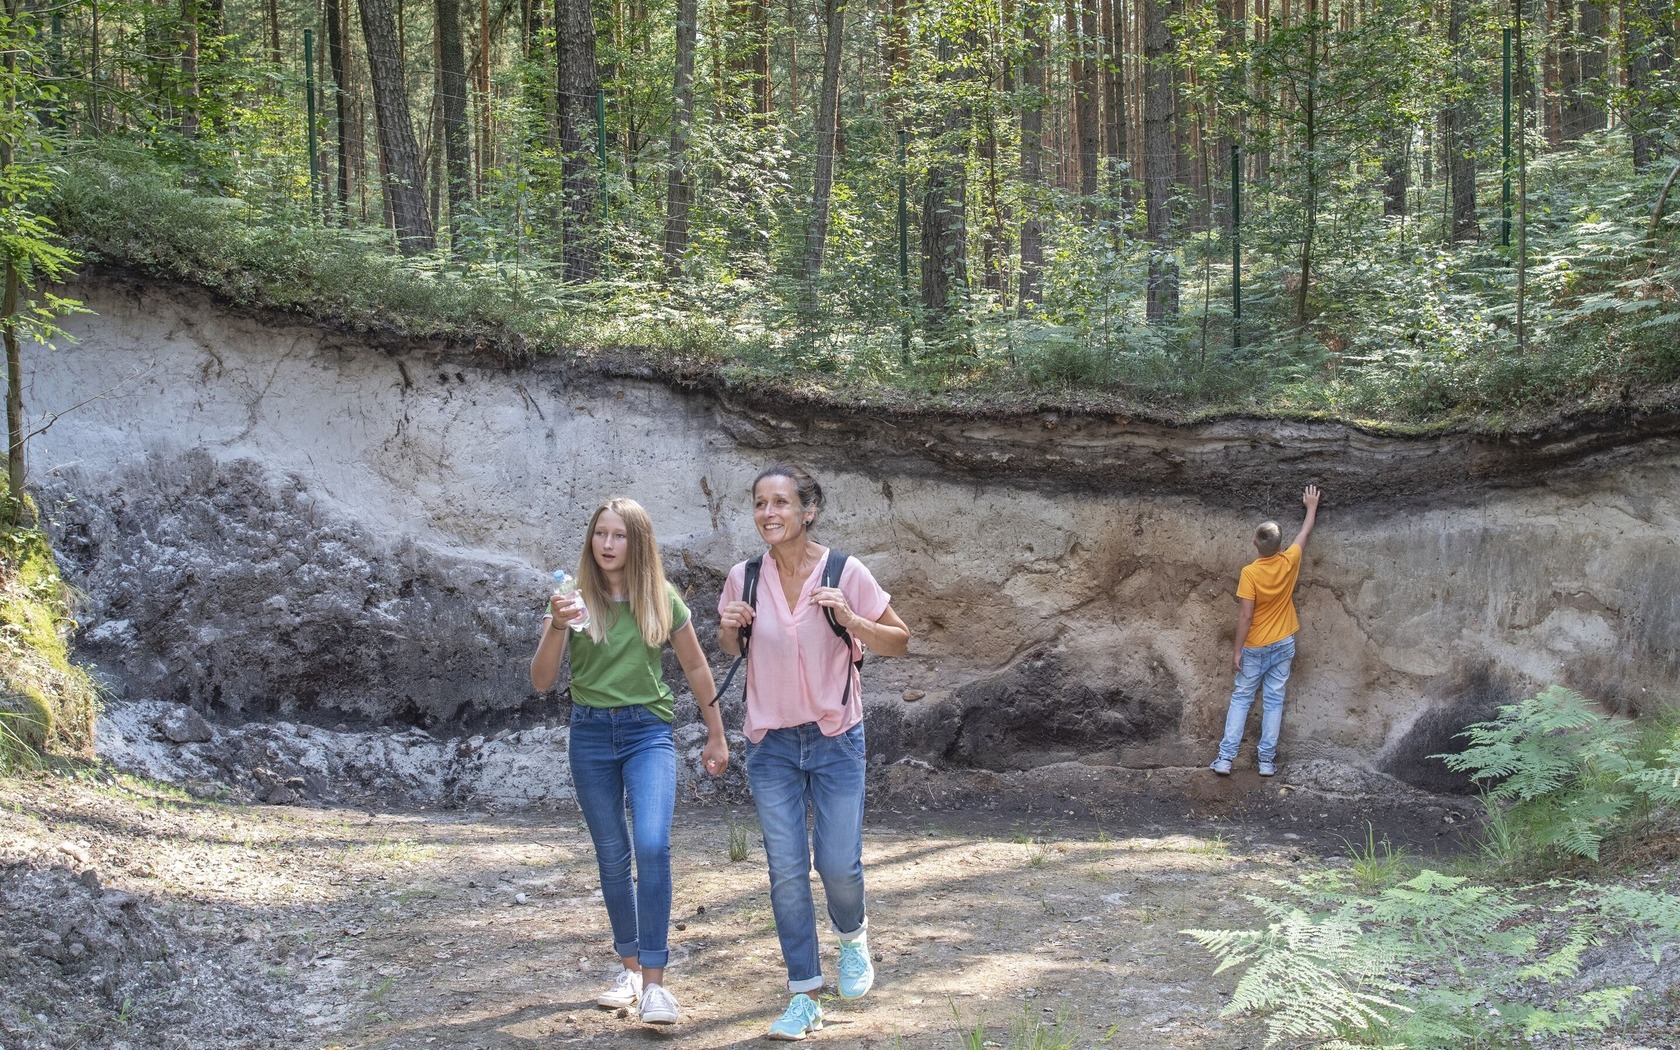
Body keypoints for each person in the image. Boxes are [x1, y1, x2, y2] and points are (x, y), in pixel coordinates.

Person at [716, 464, 911, 1041]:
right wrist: (729, 626)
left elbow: (899, 640)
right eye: (759, 504)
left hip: (834, 739)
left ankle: (853, 938)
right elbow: (734, 645)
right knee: (785, 873)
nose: (768, 513)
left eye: (780, 503)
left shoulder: (845, 570)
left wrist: (852, 619)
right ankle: (804, 993)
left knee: (837, 865)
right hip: (770, 742)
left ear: (809, 510)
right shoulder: (743, 576)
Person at [530, 497, 728, 1026]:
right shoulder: (571, 601)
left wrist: (716, 735)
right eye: (600, 534)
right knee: (614, 857)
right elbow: (542, 681)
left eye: (619, 535)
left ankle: (657, 986)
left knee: (653, 845)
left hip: (648, 733)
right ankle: (631, 970)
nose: (608, 544)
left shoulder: (661, 597)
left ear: (636, 542)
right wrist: (555, 622)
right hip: (590, 735)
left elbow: (696, 667)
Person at [1210, 484, 1321, 777]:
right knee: (1274, 701)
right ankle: (1267, 763)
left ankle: (1224, 759)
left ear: (1255, 544)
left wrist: (1237, 651)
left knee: (1242, 698)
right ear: (1279, 545)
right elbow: (1304, 533)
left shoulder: (1251, 572)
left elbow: (1246, 615)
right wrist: (1311, 506)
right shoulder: (1289, 560)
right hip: (1284, 643)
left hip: (1256, 646)